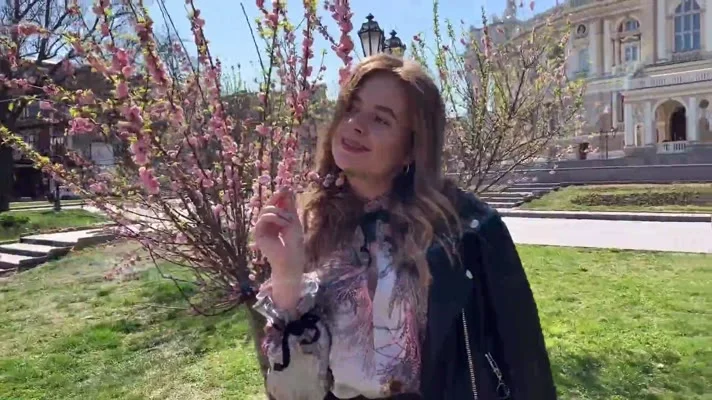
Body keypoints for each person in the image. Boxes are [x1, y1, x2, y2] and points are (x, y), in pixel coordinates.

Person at [252, 53, 556, 400]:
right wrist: (286, 273)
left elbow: (525, 359)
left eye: (381, 119)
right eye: (352, 108)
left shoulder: (466, 230)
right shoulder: (310, 225)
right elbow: (295, 391)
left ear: (411, 148)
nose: (355, 124)